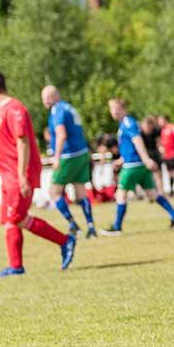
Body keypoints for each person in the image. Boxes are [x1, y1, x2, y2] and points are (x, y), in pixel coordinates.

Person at [0, 70, 76, 277]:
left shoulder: (15, 109)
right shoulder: (0, 111)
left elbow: (22, 141)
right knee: (13, 219)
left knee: (16, 218)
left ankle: (61, 243)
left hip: (17, 175)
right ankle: (18, 264)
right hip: (8, 175)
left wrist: (22, 175)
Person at [103, 98, 174, 236]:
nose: (113, 112)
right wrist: (122, 160)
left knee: (121, 194)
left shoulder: (128, 122)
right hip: (136, 163)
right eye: (111, 109)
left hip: (133, 165)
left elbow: (137, 141)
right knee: (152, 193)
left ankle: (117, 227)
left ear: (123, 109)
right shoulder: (125, 123)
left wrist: (146, 159)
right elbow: (130, 146)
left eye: (115, 108)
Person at [42, 85, 97, 239]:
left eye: (46, 97)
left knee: (54, 192)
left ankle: (73, 225)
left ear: (54, 96)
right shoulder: (69, 108)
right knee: (80, 192)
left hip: (68, 155)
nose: (44, 101)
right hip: (81, 153)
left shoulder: (57, 110)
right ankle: (91, 227)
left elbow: (61, 134)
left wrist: (56, 157)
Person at [157, 114, 174, 196]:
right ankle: (171, 191)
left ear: (165, 120)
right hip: (166, 155)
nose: (159, 122)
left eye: (160, 120)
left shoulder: (173, 127)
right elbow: (162, 142)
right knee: (169, 173)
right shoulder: (162, 130)